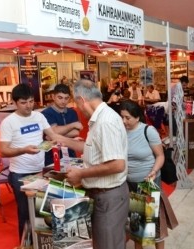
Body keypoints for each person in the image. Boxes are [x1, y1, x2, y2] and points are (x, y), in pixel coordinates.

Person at [65, 79, 129, 249]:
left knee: (109, 245)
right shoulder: (99, 119)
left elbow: (117, 165)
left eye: (75, 102)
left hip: (109, 197)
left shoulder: (106, 122)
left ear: (81, 100)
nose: (77, 107)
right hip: (103, 196)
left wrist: (80, 174)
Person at [0, 84, 69, 241]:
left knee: (42, 210)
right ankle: (25, 243)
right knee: (25, 213)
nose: (29, 106)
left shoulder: (38, 116)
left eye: (31, 101)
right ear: (15, 102)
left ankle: (40, 242)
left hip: (40, 170)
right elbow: (3, 150)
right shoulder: (9, 122)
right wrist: (24, 150)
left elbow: (52, 135)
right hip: (20, 173)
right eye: (24, 102)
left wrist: (68, 142)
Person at [119, 100, 165, 249]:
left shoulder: (148, 131)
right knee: (137, 226)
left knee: (153, 225)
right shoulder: (121, 131)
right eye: (122, 117)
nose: (124, 121)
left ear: (137, 117)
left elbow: (160, 156)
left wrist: (154, 171)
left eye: (128, 118)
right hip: (129, 183)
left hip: (147, 182)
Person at [41, 84, 83, 166]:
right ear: (53, 97)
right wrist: (73, 124)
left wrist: (53, 136)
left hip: (70, 152)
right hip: (51, 155)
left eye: (66, 98)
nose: (63, 101)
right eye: (60, 97)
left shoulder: (72, 112)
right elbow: (54, 131)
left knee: (71, 177)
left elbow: (76, 132)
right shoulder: (46, 113)